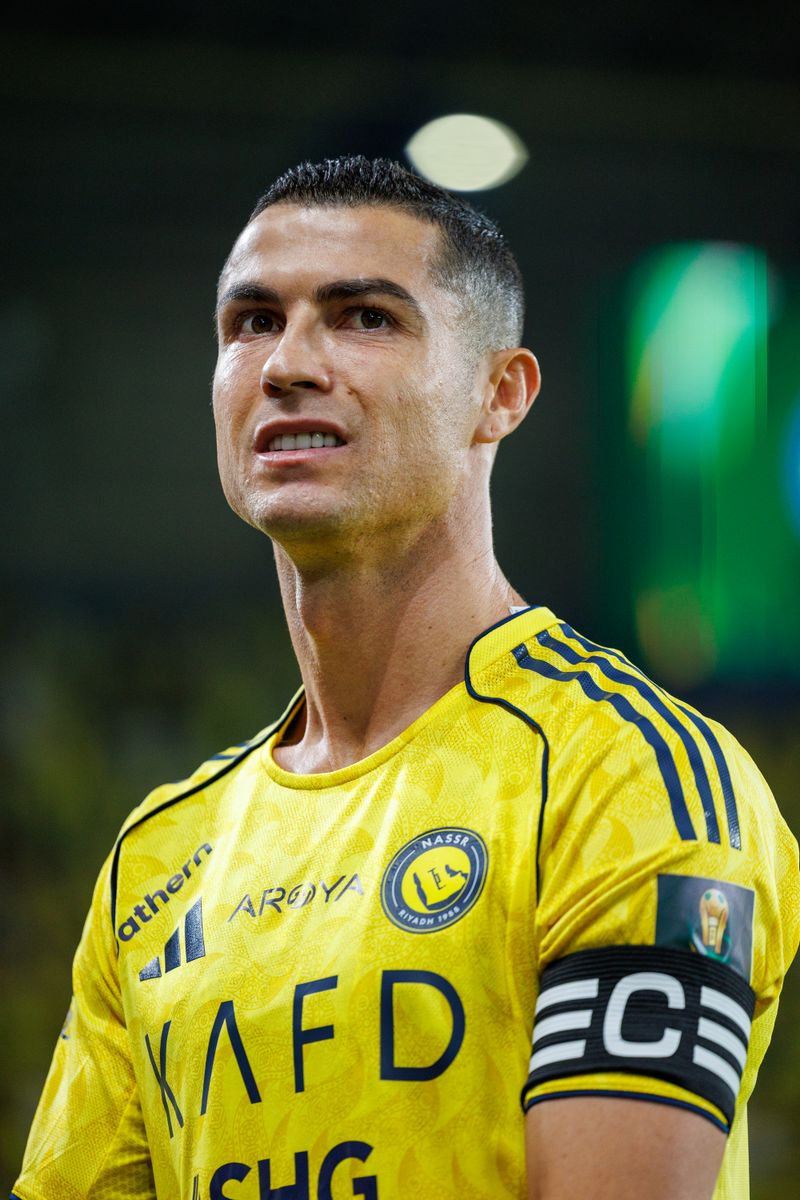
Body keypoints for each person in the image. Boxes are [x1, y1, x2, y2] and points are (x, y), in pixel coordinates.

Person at [12, 156, 799, 1200]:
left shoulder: (624, 779)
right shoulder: (155, 861)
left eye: (364, 318)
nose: (287, 363)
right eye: (252, 321)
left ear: (499, 394)